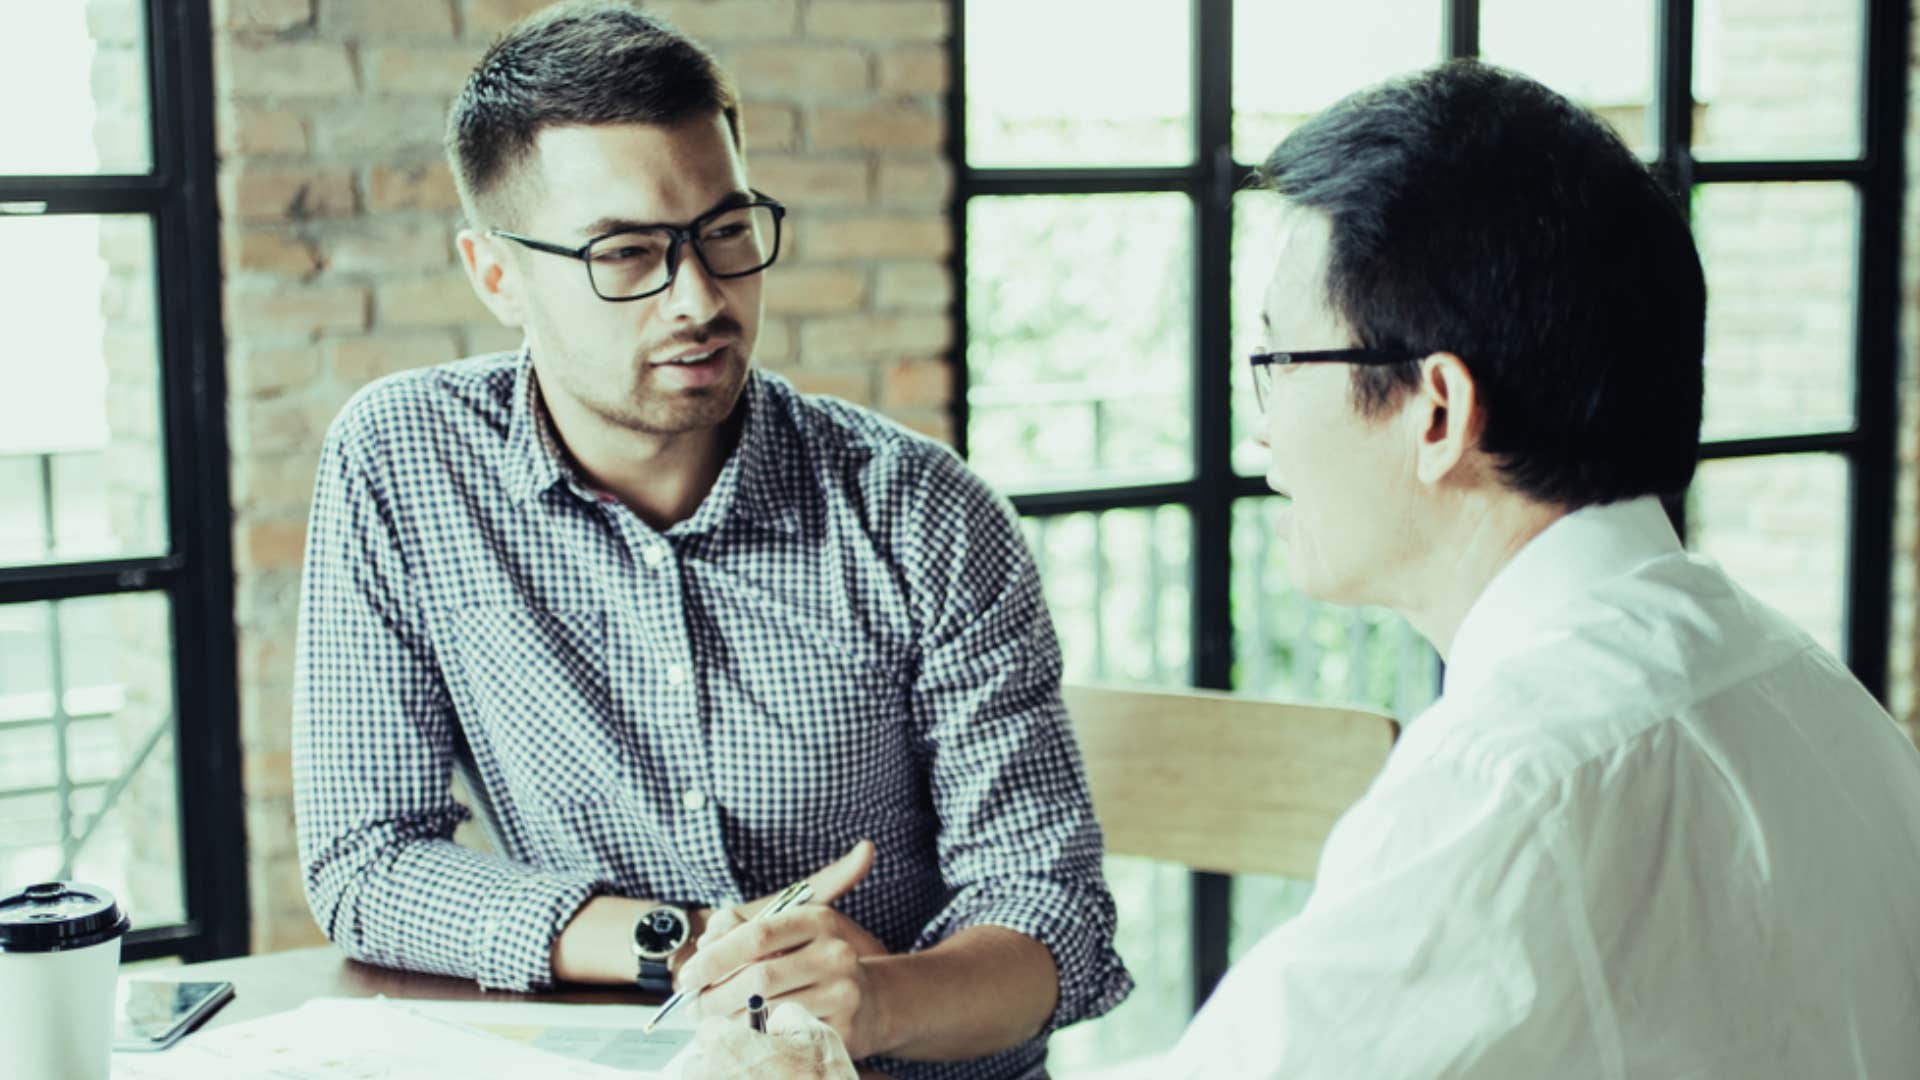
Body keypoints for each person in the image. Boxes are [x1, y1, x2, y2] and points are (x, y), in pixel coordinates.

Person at [688, 59, 1920, 1079]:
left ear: (1435, 411)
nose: (1261, 431)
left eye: (1277, 364)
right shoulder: (1801, 687)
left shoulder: (1518, 776)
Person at [289, 4, 1130, 1078]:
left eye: (726, 233)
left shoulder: (924, 514)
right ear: (497, 276)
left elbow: (1053, 920)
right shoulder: (403, 463)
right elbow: (368, 861)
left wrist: (869, 999)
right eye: (628, 253)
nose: (700, 297)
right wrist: (692, 947)